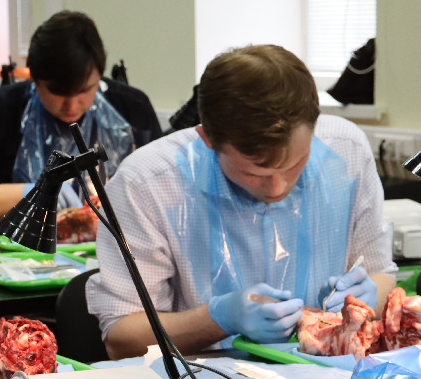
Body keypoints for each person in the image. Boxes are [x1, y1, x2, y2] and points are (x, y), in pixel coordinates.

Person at [86, 43, 396, 360]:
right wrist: (219, 318)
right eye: (253, 173)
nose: (277, 187)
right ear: (207, 139)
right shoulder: (148, 184)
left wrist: (368, 298)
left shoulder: (346, 152)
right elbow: (120, 340)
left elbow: (380, 275)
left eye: (294, 166)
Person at [0, 10, 162, 246]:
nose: (72, 105)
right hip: (18, 263)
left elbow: (164, 189)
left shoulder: (133, 110)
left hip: (116, 255)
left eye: (85, 90)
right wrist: (31, 194)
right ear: (33, 77)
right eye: (59, 93)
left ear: (99, 75)